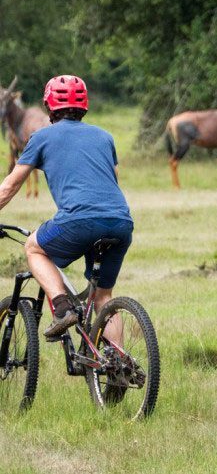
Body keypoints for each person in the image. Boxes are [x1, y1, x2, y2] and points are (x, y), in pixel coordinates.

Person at [0, 75, 133, 340]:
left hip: (78, 221)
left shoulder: (41, 137)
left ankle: (61, 309)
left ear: (48, 106)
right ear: (85, 106)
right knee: (103, 297)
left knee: (34, 247)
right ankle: (117, 365)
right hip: (120, 222)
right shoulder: (104, 137)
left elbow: (10, 186)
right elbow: (113, 179)